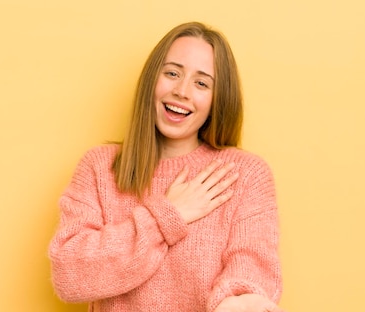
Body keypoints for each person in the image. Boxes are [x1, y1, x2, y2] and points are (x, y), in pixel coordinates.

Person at [48, 21, 283, 312]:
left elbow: (249, 271)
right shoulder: (100, 167)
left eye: (201, 83)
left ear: (217, 98)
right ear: (152, 80)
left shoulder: (245, 175)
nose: (182, 91)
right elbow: (68, 274)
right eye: (172, 73)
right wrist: (168, 215)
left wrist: (239, 302)